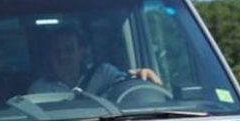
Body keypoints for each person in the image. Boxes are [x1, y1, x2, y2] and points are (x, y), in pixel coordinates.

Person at [29, 27, 162, 95]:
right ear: (49, 55)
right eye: (57, 51)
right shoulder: (39, 89)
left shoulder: (104, 73)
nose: (62, 56)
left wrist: (143, 76)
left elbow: (128, 89)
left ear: (81, 51)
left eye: (69, 50)